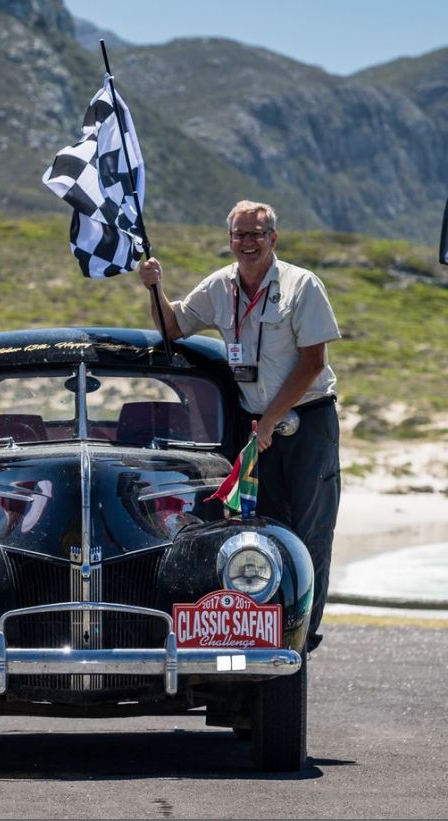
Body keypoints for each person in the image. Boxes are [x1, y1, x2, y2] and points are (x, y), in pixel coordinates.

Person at [139, 200, 340, 652]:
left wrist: (270, 420)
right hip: (256, 429)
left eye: (257, 234)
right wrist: (154, 288)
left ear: (274, 238)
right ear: (229, 239)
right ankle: (268, 627)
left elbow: (313, 363)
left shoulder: (301, 285)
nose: (247, 243)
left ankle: (302, 640)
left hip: (306, 421)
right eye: (240, 235)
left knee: (311, 532)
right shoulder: (219, 286)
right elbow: (173, 328)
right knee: (263, 530)